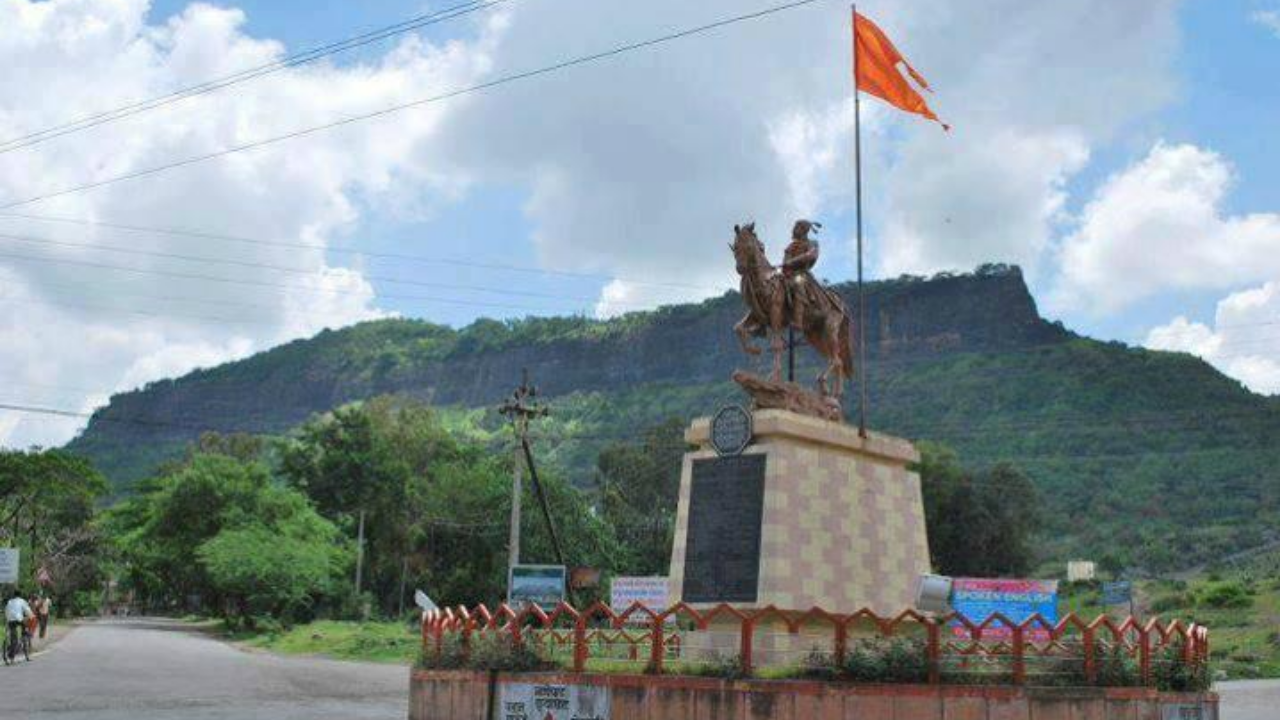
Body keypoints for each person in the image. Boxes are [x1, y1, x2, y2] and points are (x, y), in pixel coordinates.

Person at [4, 589, 34, 661]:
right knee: (24, 629)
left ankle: (11, 657)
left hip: (10, 620)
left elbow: (6, 611)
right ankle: (24, 637)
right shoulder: (22, 601)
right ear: (20, 595)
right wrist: (31, 616)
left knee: (13, 637)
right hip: (18, 619)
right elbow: (27, 610)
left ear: (14, 595)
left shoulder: (9, 601)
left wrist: (7, 620)